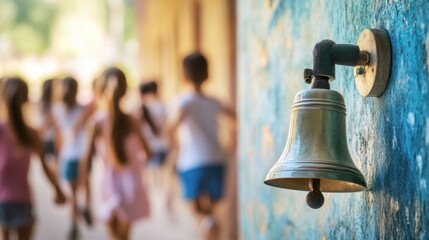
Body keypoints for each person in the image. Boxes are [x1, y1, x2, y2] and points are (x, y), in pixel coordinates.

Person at [166, 52, 236, 240]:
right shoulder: (214, 102)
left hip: (191, 161)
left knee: (197, 209)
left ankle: (207, 228)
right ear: (207, 74)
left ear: (184, 76)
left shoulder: (184, 101)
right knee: (210, 207)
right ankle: (210, 226)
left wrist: (174, 146)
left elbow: (171, 127)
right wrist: (231, 144)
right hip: (215, 159)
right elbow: (234, 118)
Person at [80, 67, 152, 240]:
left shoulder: (97, 122)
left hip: (108, 186)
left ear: (99, 90)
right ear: (125, 91)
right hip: (132, 186)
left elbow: (86, 162)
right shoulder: (133, 120)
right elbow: (148, 153)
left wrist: (86, 199)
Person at [0, 77, 66, 240]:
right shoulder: (31, 133)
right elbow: (45, 167)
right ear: (27, 99)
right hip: (24, 198)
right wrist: (58, 189)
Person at [52, 76, 92, 240]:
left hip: (68, 155)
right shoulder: (83, 109)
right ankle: (87, 207)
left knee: (74, 193)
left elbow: (58, 136)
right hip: (82, 154)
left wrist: (58, 157)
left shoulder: (57, 109)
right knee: (86, 185)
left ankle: (74, 224)